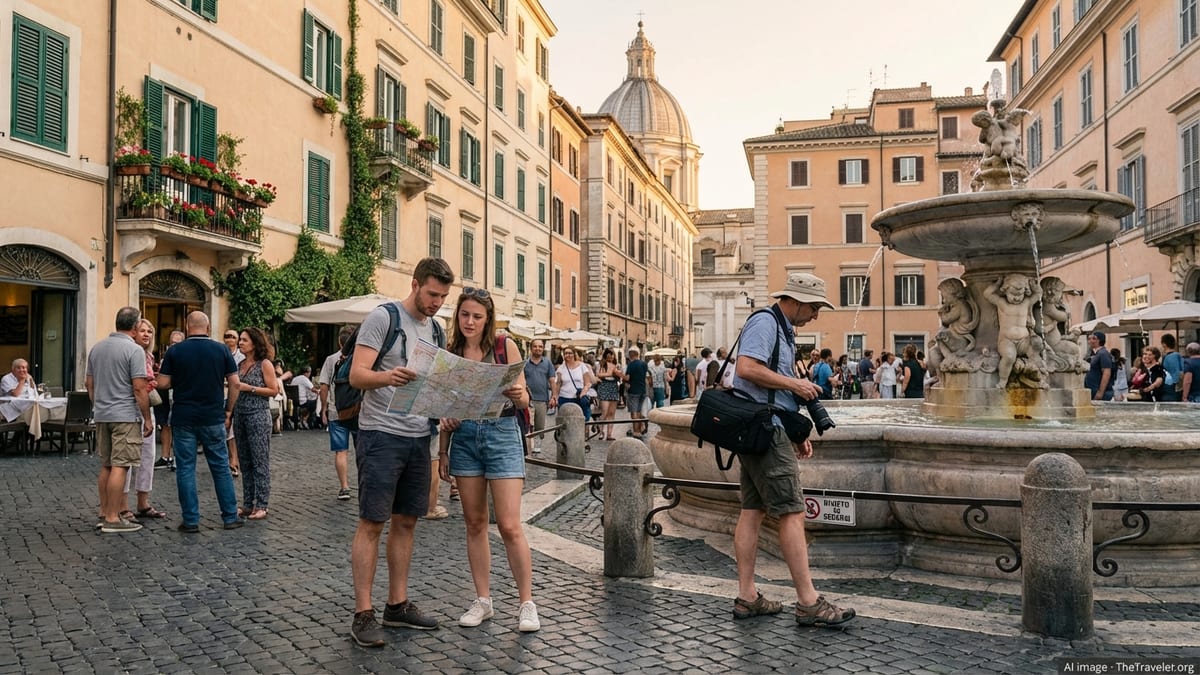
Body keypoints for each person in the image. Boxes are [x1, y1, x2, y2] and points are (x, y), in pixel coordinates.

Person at [730, 272, 854, 627]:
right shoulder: (766, 323)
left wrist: (796, 430)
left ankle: (748, 595)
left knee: (752, 510)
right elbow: (747, 368)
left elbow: (772, 389)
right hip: (765, 432)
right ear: (796, 300)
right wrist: (796, 385)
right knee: (792, 512)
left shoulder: (783, 330)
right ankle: (809, 601)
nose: (815, 315)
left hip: (766, 426)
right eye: (814, 307)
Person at [346, 257, 454, 648]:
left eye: (442, 297)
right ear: (414, 284)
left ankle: (397, 604)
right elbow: (357, 375)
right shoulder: (382, 318)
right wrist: (387, 376)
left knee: (407, 522)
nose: (436, 303)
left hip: (418, 436)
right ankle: (363, 613)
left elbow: (435, 383)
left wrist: (447, 409)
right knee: (372, 522)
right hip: (381, 435)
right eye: (431, 294)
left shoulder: (438, 331)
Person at [437, 287, 540, 633]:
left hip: (501, 434)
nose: (469, 321)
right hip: (464, 439)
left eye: (476, 316)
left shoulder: (504, 346)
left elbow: (525, 399)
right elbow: (446, 406)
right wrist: (442, 448)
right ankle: (483, 601)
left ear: (487, 319)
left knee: (510, 525)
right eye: (464, 315)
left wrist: (518, 393)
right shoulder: (451, 353)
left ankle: (527, 603)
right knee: (475, 523)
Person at [157, 311, 244, 533]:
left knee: (185, 469)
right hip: (213, 416)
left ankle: (191, 520)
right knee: (221, 467)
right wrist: (228, 411)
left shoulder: (175, 351)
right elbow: (235, 384)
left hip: (183, 416)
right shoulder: (222, 350)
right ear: (208, 327)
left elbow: (163, 384)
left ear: (187, 327)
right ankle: (230, 516)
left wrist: (179, 377)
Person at [86, 307, 154, 533]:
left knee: (106, 464)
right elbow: (139, 388)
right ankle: (113, 518)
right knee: (120, 465)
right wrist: (146, 418)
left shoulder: (97, 348)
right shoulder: (134, 350)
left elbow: (89, 384)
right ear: (135, 327)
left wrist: (98, 405)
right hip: (125, 414)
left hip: (102, 414)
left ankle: (105, 511)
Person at [232, 327, 280, 521]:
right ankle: (247, 503)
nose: (240, 342)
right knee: (245, 462)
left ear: (254, 343)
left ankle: (261, 504)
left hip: (258, 415)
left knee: (260, 461)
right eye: (240, 339)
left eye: (244, 340)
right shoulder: (240, 364)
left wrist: (249, 388)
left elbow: (273, 390)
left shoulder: (264, 364)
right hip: (240, 415)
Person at [122, 318, 167, 522]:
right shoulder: (130, 352)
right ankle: (123, 506)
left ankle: (143, 502)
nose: (147, 334)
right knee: (127, 459)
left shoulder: (147, 356)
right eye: (142, 331)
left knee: (147, 456)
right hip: (132, 409)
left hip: (146, 407)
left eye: (150, 331)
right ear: (133, 332)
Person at [983, 274, 1042, 389]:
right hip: (1007, 340)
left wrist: (1032, 285)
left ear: (1025, 292)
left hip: (1024, 340)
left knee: (1035, 356)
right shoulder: (1002, 303)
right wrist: (997, 284)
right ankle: (1003, 381)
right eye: (1013, 294)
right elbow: (987, 294)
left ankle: (1039, 379)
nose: (1016, 298)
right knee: (1009, 357)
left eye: (1019, 294)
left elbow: (1038, 294)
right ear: (1005, 291)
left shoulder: (1026, 303)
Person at [318, 326, 356, 500]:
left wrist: (324, 408)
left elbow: (323, 386)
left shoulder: (331, 359)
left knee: (341, 451)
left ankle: (344, 487)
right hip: (358, 411)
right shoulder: (360, 359)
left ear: (340, 341)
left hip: (336, 410)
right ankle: (365, 485)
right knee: (363, 450)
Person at [153, 330, 184, 471]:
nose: (173, 346)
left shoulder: (186, 358)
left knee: (177, 427)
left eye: (177, 343)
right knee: (165, 424)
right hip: (165, 395)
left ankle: (178, 458)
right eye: (172, 343)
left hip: (178, 396)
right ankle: (165, 456)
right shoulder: (165, 359)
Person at [522, 339, 556, 454]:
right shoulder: (525, 363)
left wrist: (554, 396)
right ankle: (529, 446)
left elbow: (552, 381)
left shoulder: (547, 363)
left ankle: (538, 445)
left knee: (540, 425)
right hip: (528, 399)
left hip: (542, 399)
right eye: (535, 346)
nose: (538, 349)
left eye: (540, 347)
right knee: (528, 424)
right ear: (531, 348)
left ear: (543, 349)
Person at [551, 347, 594, 421]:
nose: (568, 355)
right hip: (564, 398)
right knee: (565, 422)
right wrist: (555, 397)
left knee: (580, 421)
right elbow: (558, 384)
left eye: (570, 353)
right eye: (566, 353)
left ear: (574, 354)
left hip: (578, 398)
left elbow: (588, 383)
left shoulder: (581, 366)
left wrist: (583, 393)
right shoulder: (561, 368)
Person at [595, 348, 623, 440]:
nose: (610, 359)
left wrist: (617, 373)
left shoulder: (617, 365)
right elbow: (598, 374)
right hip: (604, 387)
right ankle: (601, 431)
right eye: (608, 358)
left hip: (613, 387)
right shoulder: (601, 364)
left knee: (611, 413)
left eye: (611, 357)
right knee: (605, 412)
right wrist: (610, 373)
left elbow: (621, 376)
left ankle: (609, 434)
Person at [624, 347, 649, 437]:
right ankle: (638, 430)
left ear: (630, 355)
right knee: (638, 411)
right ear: (637, 354)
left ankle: (636, 431)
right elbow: (646, 377)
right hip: (642, 390)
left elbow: (627, 378)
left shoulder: (631, 365)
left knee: (634, 412)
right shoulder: (644, 364)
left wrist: (619, 374)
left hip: (633, 390)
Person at [1084, 331, 1114, 401]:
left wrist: (1100, 392)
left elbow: (1106, 373)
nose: (1090, 341)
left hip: (1100, 392)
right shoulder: (1095, 354)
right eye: (1089, 339)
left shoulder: (1103, 353)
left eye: (1094, 338)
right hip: (1093, 390)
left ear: (1100, 341)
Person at [1160, 334, 1183, 403]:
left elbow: (1176, 372)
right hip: (1169, 387)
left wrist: (1177, 385)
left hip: (1171, 388)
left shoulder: (1172, 356)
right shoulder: (1175, 355)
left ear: (1164, 344)